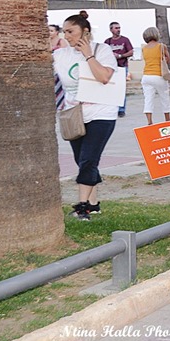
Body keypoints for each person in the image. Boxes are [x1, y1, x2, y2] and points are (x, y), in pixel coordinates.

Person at [53, 14, 119, 220]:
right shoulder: (61, 54)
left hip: (102, 113)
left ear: (85, 32)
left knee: (89, 159)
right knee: (82, 160)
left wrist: (89, 55)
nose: (67, 35)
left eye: (71, 31)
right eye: (64, 31)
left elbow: (104, 77)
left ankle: (83, 207)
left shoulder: (103, 50)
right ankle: (94, 203)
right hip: (74, 114)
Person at [140, 27, 170, 125]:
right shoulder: (161, 46)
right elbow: (168, 59)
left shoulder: (143, 48)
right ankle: (167, 120)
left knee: (148, 99)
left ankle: (149, 121)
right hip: (158, 75)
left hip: (146, 76)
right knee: (164, 97)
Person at [104, 21, 133, 117]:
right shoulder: (107, 42)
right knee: (110, 88)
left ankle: (121, 109)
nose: (118, 30)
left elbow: (131, 52)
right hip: (110, 67)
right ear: (111, 29)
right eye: (116, 28)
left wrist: (120, 55)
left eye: (119, 28)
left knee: (121, 88)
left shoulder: (125, 40)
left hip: (122, 66)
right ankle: (111, 108)